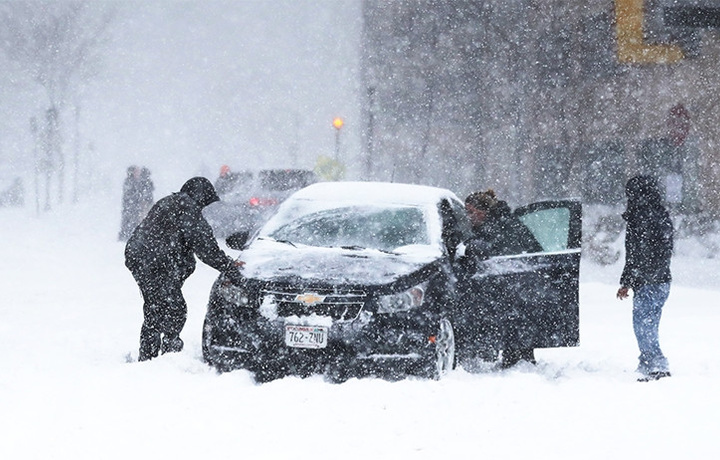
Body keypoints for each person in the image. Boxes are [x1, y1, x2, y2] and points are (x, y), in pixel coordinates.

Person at [125, 177, 244, 361]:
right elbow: (205, 247)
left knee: (155, 307)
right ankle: (169, 355)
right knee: (175, 309)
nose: (203, 207)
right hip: (155, 262)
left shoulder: (171, 203)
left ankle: (149, 356)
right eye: (204, 202)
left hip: (140, 257)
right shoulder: (186, 208)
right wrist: (229, 267)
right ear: (200, 196)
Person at [464, 189, 543, 368]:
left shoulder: (502, 225)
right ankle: (517, 359)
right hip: (510, 286)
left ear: (483, 211)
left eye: (471, 211)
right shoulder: (496, 223)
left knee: (515, 325)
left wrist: (477, 247)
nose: (468, 216)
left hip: (517, 285)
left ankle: (519, 363)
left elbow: (503, 253)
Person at [616, 175, 673, 382]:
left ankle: (655, 363)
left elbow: (637, 253)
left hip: (648, 281)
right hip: (662, 279)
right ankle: (647, 361)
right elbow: (660, 251)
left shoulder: (640, 217)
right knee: (649, 322)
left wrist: (629, 281)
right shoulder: (661, 214)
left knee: (643, 324)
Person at [118, 165, 155, 241]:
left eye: (138, 171)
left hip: (141, 206)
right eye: (136, 171)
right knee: (131, 221)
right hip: (132, 207)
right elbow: (129, 195)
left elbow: (148, 194)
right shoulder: (130, 182)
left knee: (142, 221)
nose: (137, 173)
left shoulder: (144, 182)